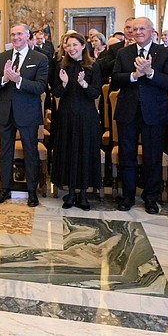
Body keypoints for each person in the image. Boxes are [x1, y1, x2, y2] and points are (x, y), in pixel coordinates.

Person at [111, 17, 168, 214]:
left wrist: (150, 73)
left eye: (142, 29)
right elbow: (116, 78)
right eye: (135, 29)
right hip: (128, 111)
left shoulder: (164, 53)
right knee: (127, 155)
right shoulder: (124, 52)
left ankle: (150, 198)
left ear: (152, 31)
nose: (137, 32)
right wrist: (134, 75)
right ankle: (128, 197)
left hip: (154, 113)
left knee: (153, 157)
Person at [0, 24, 50, 207]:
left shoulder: (40, 59)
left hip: (28, 113)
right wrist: (5, 79)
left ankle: (32, 190)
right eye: (13, 34)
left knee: (30, 152)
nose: (16, 37)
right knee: (5, 152)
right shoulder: (2, 58)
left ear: (27, 36)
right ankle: (5, 188)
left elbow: (40, 87)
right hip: (4, 113)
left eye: (19, 34)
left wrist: (19, 80)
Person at [49, 32, 101, 211]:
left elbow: (95, 93)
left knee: (85, 151)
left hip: (87, 117)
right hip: (66, 115)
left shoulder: (93, 66)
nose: (71, 49)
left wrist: (84, 84)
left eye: (74, 45)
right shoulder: (60, 66)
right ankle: (70, 192)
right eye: (68, 46)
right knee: (68, 151)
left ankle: (84, 193)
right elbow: (55, 92)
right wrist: (63, 84)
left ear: (83, 46)